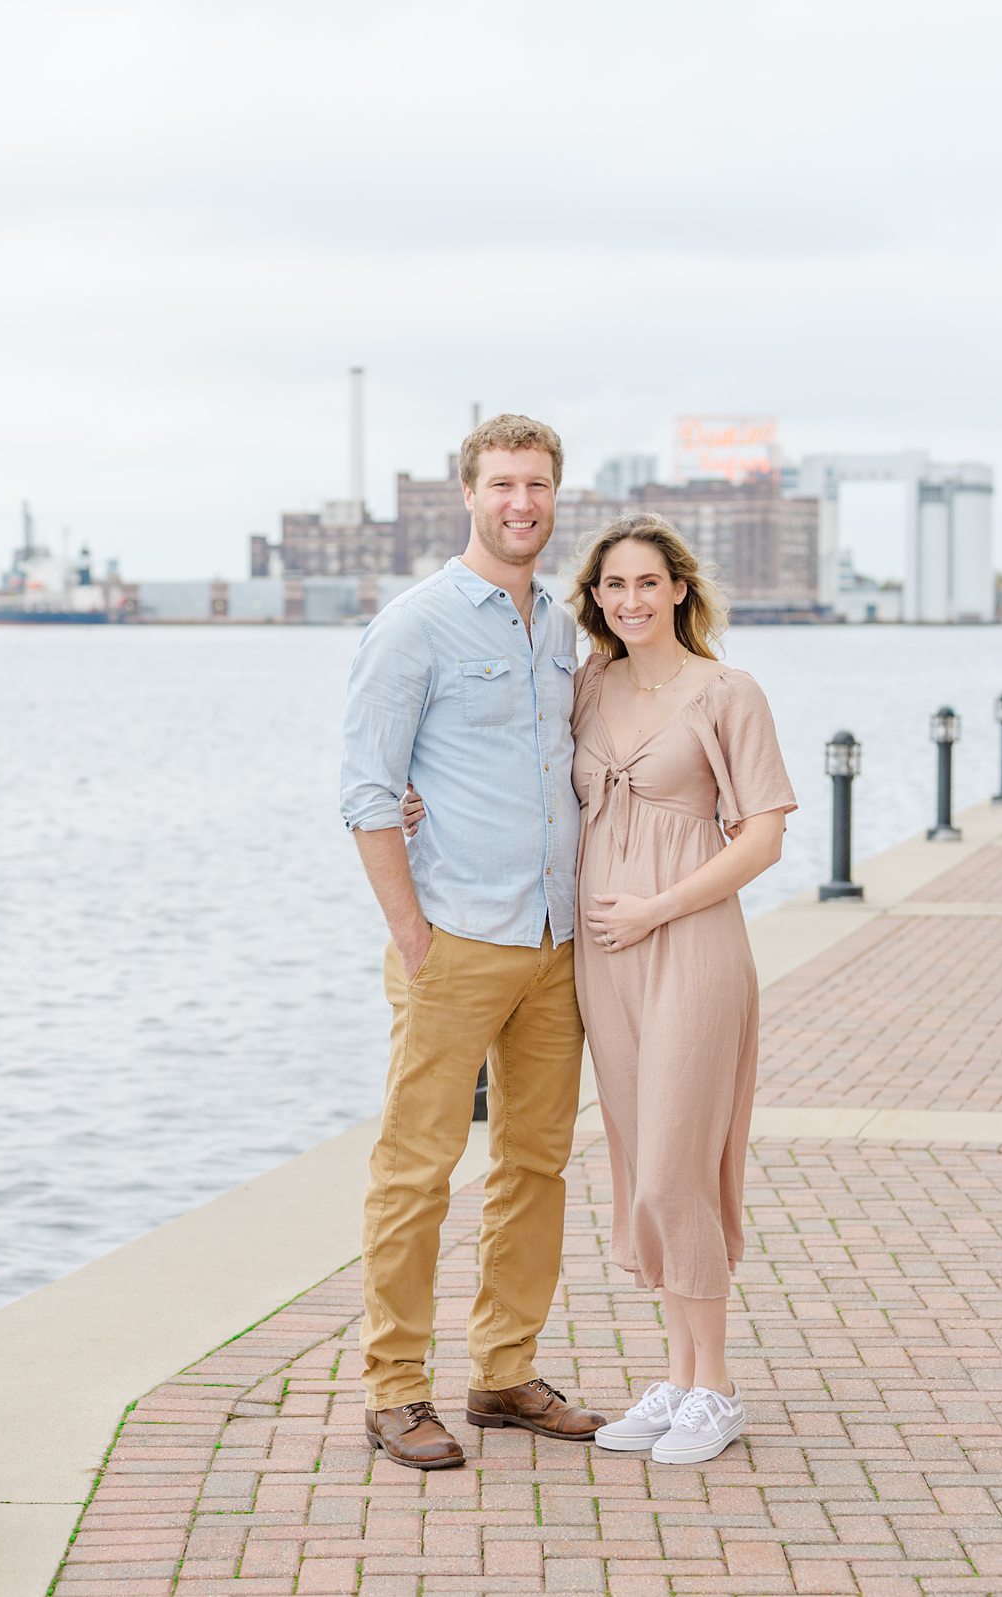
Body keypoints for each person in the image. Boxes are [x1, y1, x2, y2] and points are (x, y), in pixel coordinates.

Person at [337, 413, 607, 1471]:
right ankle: (394, 1389)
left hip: (555, 943)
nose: (520, 503)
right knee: (417, 1171)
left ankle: (503, 1371)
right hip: (453, 939)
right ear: (470, 494)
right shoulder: (415, 625)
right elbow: (365, 787)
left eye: (536, 485)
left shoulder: (557, 629)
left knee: (535, 1164)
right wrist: (410, 930)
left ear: (554, 496)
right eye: (502, 484)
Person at [568, 514, 795, 1465]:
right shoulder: (584, 686)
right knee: (636, 1164)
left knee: (676, 1162)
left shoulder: (726, 692)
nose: (630, 601)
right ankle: (678, 1375)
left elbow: (763, 836)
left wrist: (659, 907)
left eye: (647, 583)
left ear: (680, 590)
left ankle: (720, 1386)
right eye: (613, 586)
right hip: (602, 955)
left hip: (690, 941)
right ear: (596, 598)